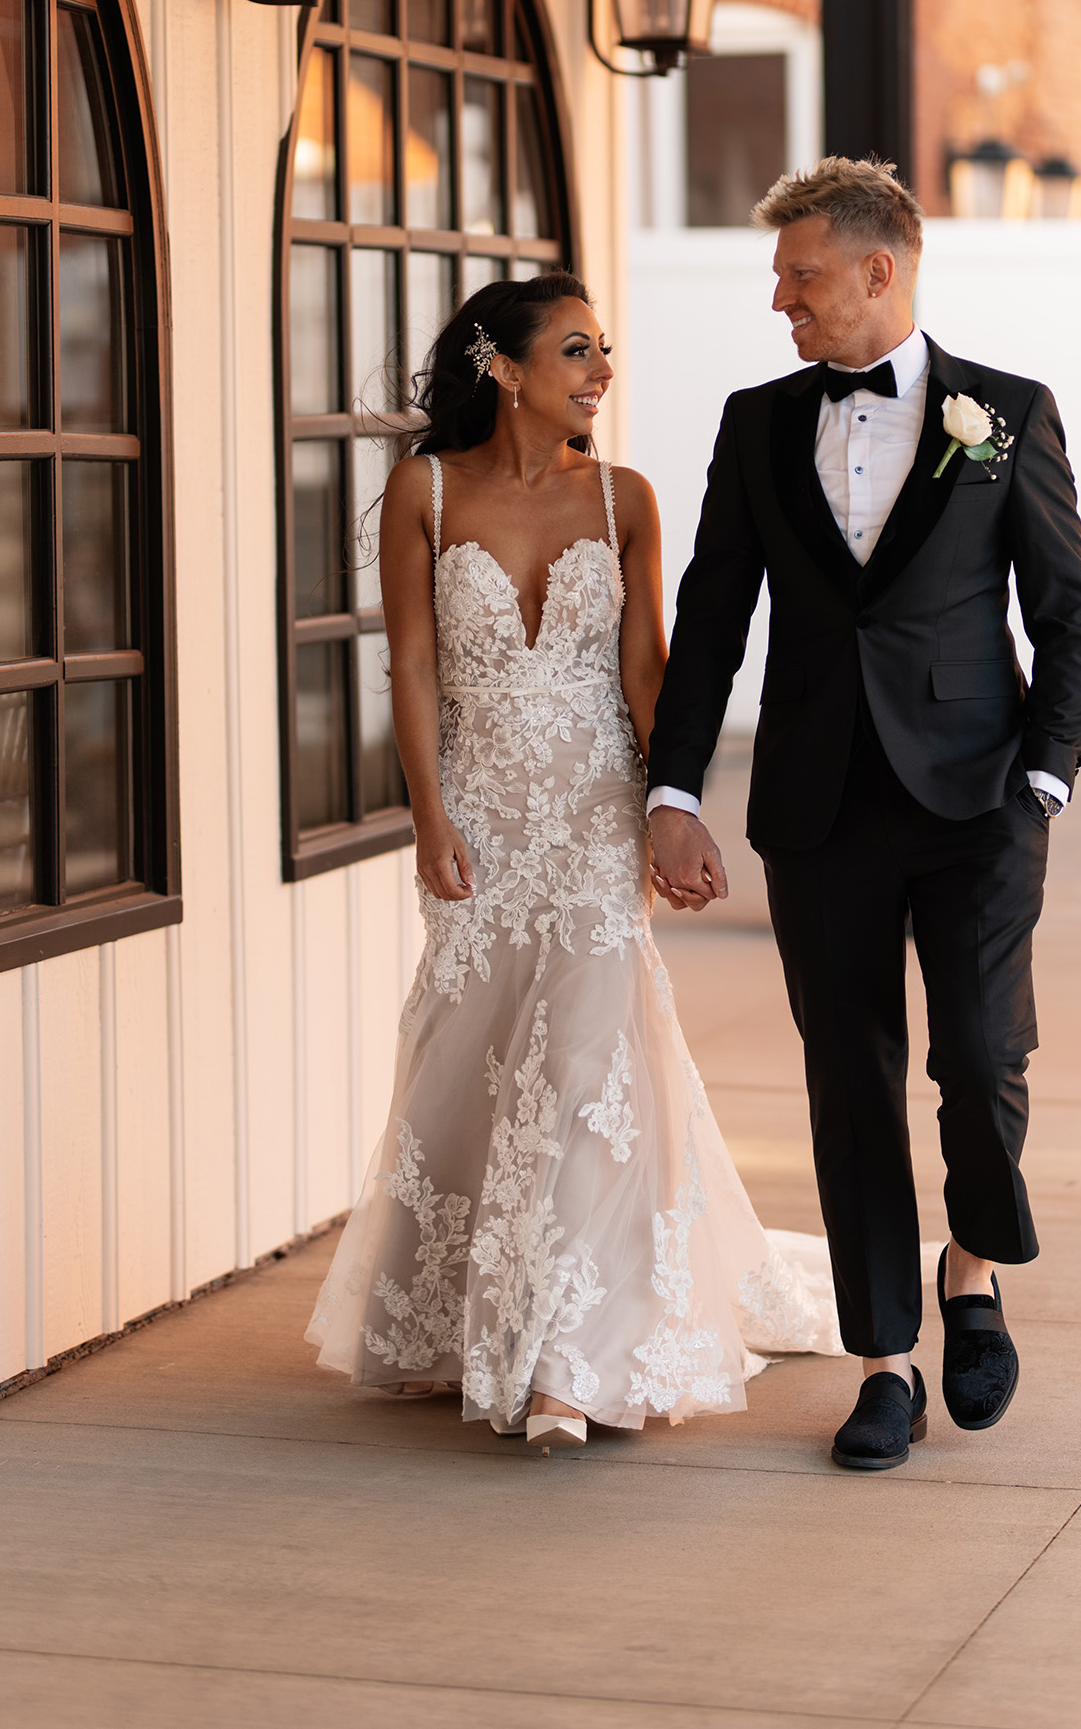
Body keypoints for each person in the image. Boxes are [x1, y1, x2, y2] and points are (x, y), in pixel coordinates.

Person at [306, 272, 841, 1449]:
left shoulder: (627, 501)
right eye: (576, 351)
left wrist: (675, 809)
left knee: (594, 1073)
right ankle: (457, 1318)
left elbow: (647, 673)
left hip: (597, 816)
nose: (601, 371)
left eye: (605, 352)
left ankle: (570, 1359)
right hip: (486, 814)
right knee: (471, 1052)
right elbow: (409, 669)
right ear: (505, 368)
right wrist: (427, 815)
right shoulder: (424, 492)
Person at [646, 158, 1081, 1472]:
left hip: (979, 802)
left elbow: (1066, 609)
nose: (777, 300)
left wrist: (1046, 776)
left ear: (876, 270)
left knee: (980, 1056)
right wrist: (676, 789)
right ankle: (884, 1360)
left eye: (797, 276)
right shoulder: (757, 421)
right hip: (819, 804)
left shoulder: (1006, 413)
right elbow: (716, 617)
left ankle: (972, 1260)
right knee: (849, 1084)